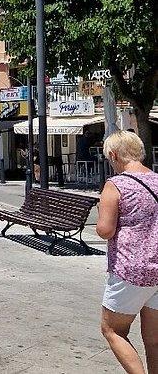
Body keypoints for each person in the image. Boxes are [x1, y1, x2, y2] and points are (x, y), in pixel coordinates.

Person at [95, 130, 158, 374]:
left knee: (113, 330)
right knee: (154, 339)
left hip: (131, 270)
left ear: (113, 155)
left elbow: (105, 230)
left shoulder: (116, 185)